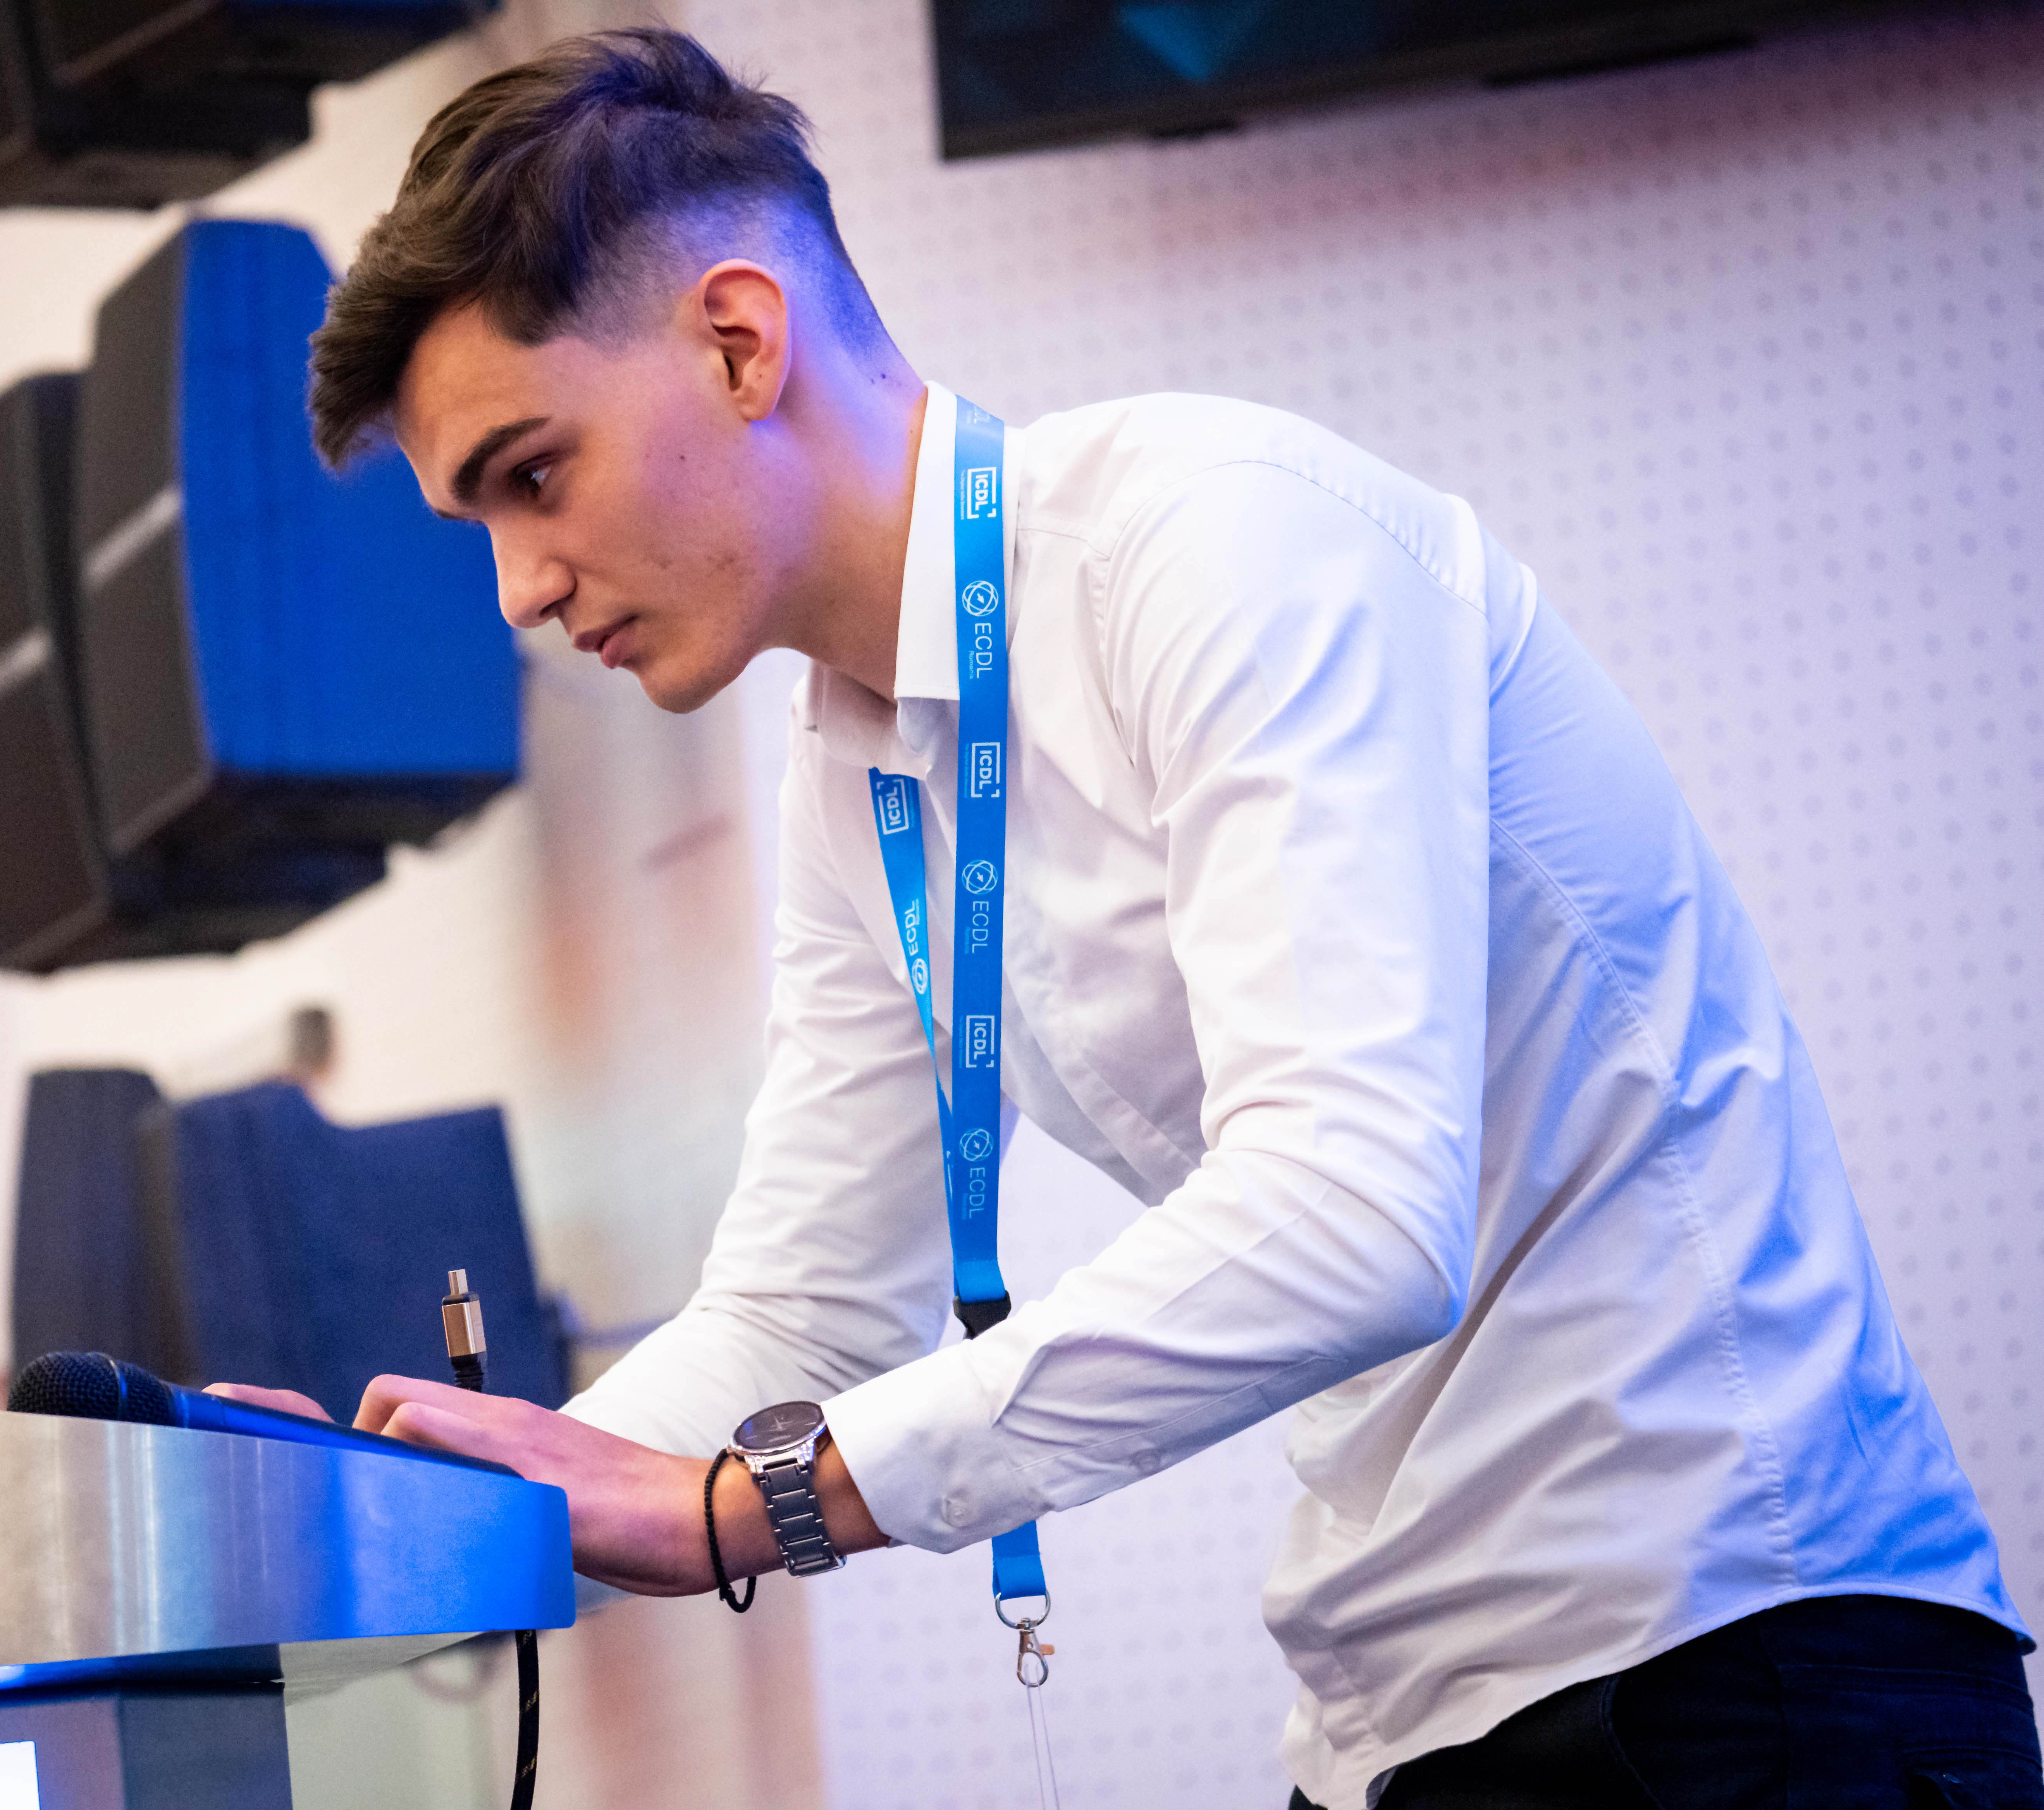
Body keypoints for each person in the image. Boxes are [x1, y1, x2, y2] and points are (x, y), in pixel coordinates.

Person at [207, 28, 2041, 1807]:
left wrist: (758, 1505)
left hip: (1746, 1665)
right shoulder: (855, 764)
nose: (520, 589)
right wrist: (421, 1523)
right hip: (1412, 1715)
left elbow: (1355, 1212)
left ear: (739, 340)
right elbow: (806, 1310)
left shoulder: (1222, 539)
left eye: (534, 476)